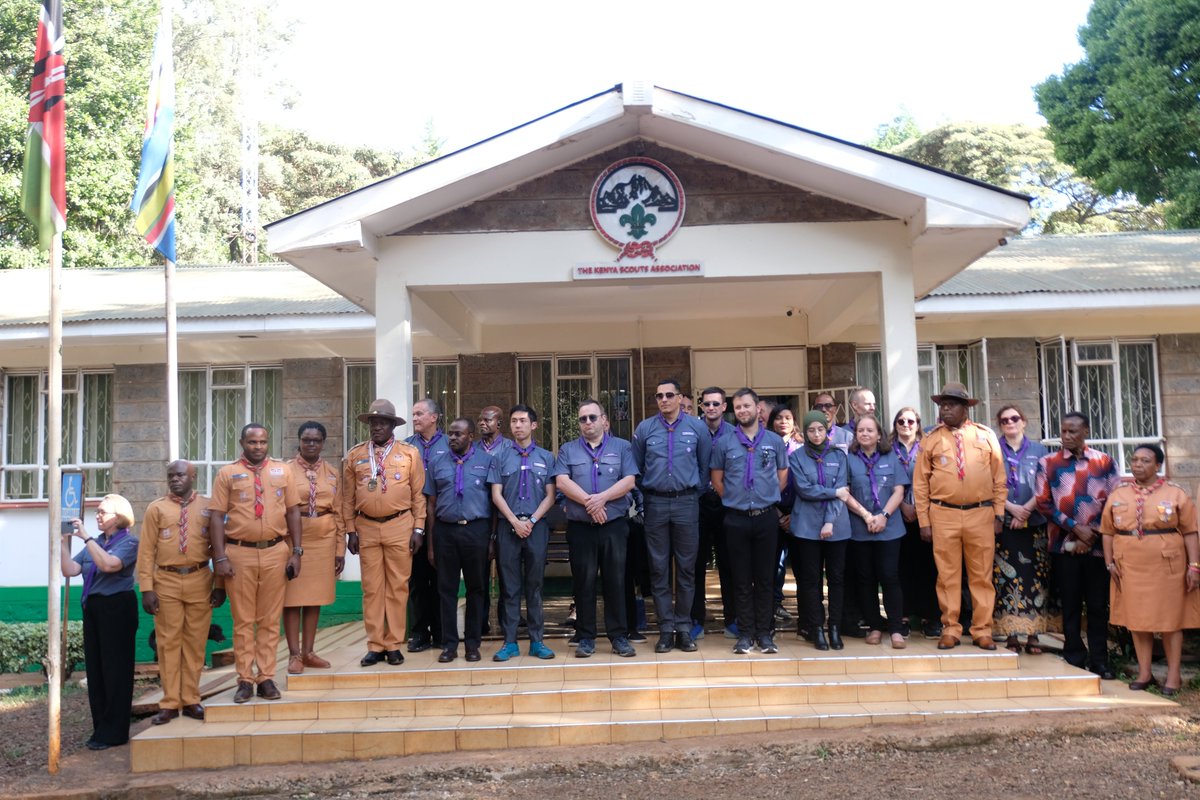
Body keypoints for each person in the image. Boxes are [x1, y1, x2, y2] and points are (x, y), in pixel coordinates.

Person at [211, 424, 303, 703]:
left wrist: (297, 551)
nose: (258, 447)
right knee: (243, 621)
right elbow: (216, 517)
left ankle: (265, 678)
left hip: (275, 551)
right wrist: (220, 557)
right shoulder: (227, 473)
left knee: (269, 620)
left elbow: (293, 512)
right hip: (239, 554)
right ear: (242, 443)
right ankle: (244, 679)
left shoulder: (282, 471)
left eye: (263, 441)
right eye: (252, 442)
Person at [913, 383, 1006, 651]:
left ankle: (982, 630)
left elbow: (999, 478)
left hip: (981, 513)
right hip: (943, 514)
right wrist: (924, 521)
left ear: (966, 408)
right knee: (947, 575)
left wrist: (999, 513)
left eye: (951, 404)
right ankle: (951, 628)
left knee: (981, 576)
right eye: (942, 404)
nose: (945, 409)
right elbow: (920, 484)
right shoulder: (931, 439)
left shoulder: (986, 436)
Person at [1101, 444, 1200, 696]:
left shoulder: (1175, 494)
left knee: (1170, 620)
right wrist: (1109, 562)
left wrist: (1194, 566)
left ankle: (1174, 675)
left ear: (1158, 466)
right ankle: (1145, 673)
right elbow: (1107, 532)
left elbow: (1190, 532)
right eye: (1134, 460)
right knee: (1137, 619)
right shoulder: (1118, 495)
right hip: (1129, 565)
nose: (1138, 465)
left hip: (1167, 565)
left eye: (1145, 460)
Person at [1036, 412, 1122, 678]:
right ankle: (1074, 656)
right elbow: (1043, 503)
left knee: (1097, 605)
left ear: (1085, 430)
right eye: (1063, 431)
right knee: (1070, 604)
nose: (1067, 436)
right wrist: (1076, 529)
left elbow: (1114, 500)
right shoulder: (1047, 463)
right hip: (1063, 546)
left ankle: (1100, 661)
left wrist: (1092, 533)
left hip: (1097, 548)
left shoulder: (1104, 462)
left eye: (1073, 431)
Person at [138, 462, 225, 725]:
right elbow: (146, 552)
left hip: (200, 578)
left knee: (196, 643)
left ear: (193, 476)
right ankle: (169, 703)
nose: (174, 480)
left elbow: (217, 549)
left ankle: (191, 699)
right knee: (168, 643)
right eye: (170, 476)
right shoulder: (156, 508)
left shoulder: (210, 507)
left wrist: (219, 585)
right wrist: (146, 589)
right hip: (166, 581)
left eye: (180, 475)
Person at [343, 401, 426, 667]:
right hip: (366, 527)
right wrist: (350, 530)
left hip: (400, 525)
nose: (377, 426)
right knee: (372, 589)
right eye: (373, 422)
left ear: (393, 426)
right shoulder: (355, 455)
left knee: (398, 587)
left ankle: (393, 644)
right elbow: (346, 498)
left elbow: (418, 495)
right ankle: (375, 644)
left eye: (383, 422)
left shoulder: (409, 453)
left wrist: (418, 527)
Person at [632, 379, 712, 653]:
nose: (664, 399)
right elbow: (637, 469)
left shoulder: (697, 428)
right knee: (659, 569)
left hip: (686, 503)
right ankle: (666, 629)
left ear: (680, 398)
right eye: (659, 396)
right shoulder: (645, 429)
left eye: (669, 395)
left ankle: (684, 628)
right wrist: (645, 500)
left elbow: (705, 468)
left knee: (687, 570)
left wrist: (692, 494)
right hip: (655, 504)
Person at [555, 399, 639, 658]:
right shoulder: (568, 450)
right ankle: (586, 637)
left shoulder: (622, 447)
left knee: (616, 581)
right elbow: (561, 481)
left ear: (604, 420)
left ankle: (618, 637)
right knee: (584, 582)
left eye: (593, 417)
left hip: (613, 526)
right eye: (583, 419)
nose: (588, 423)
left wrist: (600, 499)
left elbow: (629, 480)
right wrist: (590, 504)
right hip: (581, 529)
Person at [711, 388, 790, 654]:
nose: (743, 411)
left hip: (766, 518)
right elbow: (717, 480)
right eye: (738, 407)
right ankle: (745, 633)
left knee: (766, 578)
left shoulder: (774, 441)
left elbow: (782, 476)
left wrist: (766, 498)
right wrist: (736, 500)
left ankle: (765, 634)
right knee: (741, 579)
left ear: (758, 409)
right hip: (736, 518)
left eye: (747, 406)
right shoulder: (724, 443)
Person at [61, 494, 140, 749]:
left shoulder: (129, 542)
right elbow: (70, 570)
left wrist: (85, 536)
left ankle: (115, 733)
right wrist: (63, 542)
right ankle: (101, 729)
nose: (97, 516)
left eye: (102, 512)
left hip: (117, 607)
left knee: (116, 670)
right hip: (94, 608)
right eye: (97, 511)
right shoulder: (94, 544)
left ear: (118, 517)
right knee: (96, 670)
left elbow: (108, 565)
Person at [488, 404, 558, 661]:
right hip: (509, 528)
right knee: (510, 587)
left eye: (522, 421)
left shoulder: (547, 457)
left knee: (535, 586)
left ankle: (537, 641)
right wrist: (515, 522)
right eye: (514, 421)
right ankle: (509, 642)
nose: (517, 425)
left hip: (536, 529)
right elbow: (496, 494)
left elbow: (551, 496)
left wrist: (531, 520)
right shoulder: (500, 458)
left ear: (534, 425)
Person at [425, 417, 494, 662]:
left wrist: (491, 539)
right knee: (447, 590)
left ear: (470, 436)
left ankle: (473, 644)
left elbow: (494, 502)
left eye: (458, 434)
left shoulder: (487, 461)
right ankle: (449, 645)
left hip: (476, 530)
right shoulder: (436, 462)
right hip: (446, 531)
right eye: (450, 434)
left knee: (477, 589)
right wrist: (432, 543)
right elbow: (431, 506)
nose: (453, 438)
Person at [284, 422, 345, 674]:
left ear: (323, 443)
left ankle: (309, 652)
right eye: (306, 440)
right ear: (299, 441)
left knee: (314, 598)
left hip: (324, 538)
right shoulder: (284, 471)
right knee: (291, 599)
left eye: (316, 440)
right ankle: (294, 654)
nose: (311, 444)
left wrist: (340, 549)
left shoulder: (332, 472)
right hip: (293, 540)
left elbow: (339, 511)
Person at [845, 416, 910, 648]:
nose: (864, 434)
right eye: (860, 430)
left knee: (889, 576)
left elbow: (899, 491)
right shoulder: (849, 459)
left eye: (869, 430)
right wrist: (867, 516)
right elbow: (846, 492)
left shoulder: (890, 457)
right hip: (860, 528)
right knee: (866, 578)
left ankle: (895, 629)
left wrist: (883, 516)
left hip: (889, 528)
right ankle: (874, 626)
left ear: (879, 434)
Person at [789, 411, 851, 650]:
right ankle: (816, 628)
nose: (816, 434)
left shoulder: (839, 455)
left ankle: (834, 627)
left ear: (827, 430)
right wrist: (833, 492)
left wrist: (829, 521)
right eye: (811, 430)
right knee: (810, 580)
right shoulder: (796, 457)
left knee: (836, 579)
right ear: (804, 432)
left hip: (836, 526)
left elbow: (842, 491)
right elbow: (805, 489)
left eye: (821, 429)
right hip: (806, 527)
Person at [992, 405, 1050, 654]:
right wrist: (1012, 510)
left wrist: (1025, 510)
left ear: (1024, 421)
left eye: (1015, 418)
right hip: (1004, 524)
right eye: (1004, 420)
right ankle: (1011, 634)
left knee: (1034, 580)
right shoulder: (993, 449)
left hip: (1033, 523)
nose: (1010, 423)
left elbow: (1045, 485)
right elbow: (987, 484)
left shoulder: (1039, 450)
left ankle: (1034, 635)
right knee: (1006, 579)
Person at [892, 407, 940, 639]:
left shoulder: (928, 446)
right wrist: (902, 506)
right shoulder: (888, 448)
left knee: (927, 568)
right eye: (901, 421)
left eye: (910, 421)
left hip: (926, 516)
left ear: (918, 423)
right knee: (901, 568)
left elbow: (938, 480)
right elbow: (883, 482)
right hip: (897, 515)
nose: (906, 425)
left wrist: (921, 511)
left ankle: (929, 616)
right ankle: (903, 616)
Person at [405, 398, 447, 653]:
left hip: (442, 519)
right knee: (417, 580)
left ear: (434, 417)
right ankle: (420, 631)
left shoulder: (449, 444)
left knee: (442, 579)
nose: (415, 418)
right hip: (415, 522)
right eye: (413, 414)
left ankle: (442, 632)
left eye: (419, 413)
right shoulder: (407, 447)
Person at [696, 387, 736, 638]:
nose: (711, 408)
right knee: (695, 564)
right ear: (701, 406)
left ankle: (732, 620)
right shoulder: (691, 431)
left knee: (729, 563)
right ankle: (695, 620)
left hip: (726, 503)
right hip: (697, 503)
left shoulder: (735, 434)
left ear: (724, 407)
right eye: (706, 404)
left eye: (716, 404)